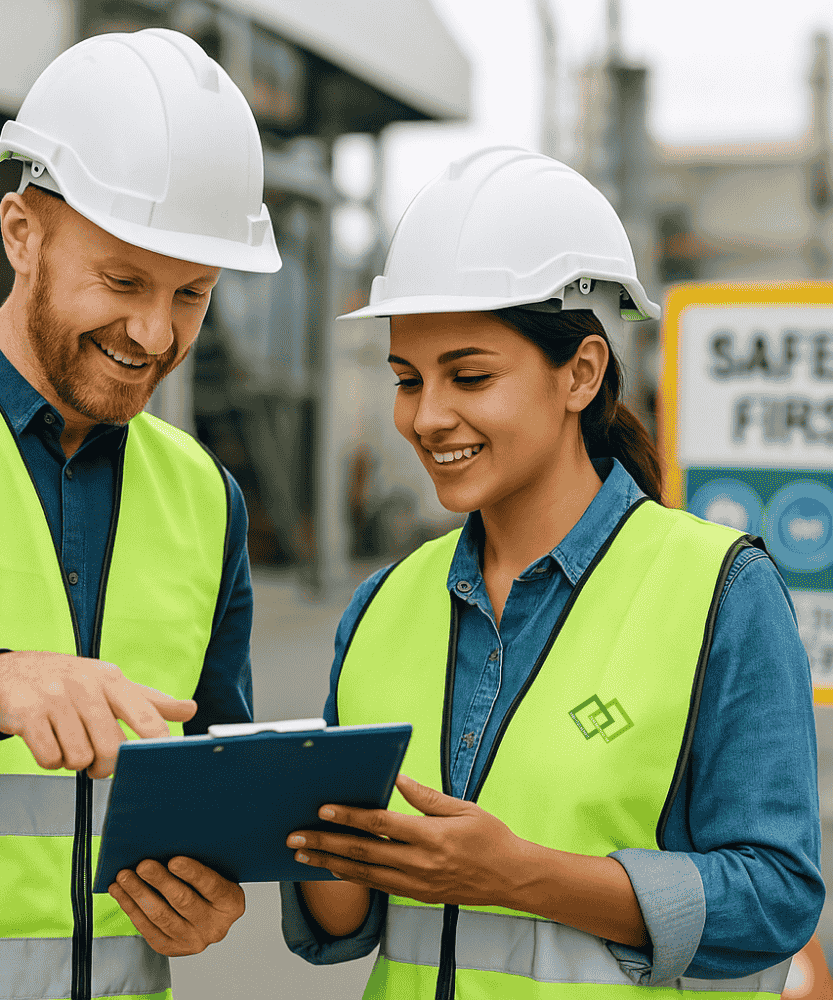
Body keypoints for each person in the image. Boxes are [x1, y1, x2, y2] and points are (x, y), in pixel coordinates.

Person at [278, 147, 825, 999]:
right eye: (406, 379)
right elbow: (352, 920)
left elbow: (777, 898)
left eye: (470, 376)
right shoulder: (382, 606)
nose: (426, 416)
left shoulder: (720, 593)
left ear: (581, 373)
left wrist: (521, 875)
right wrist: (301, 832)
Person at [0, 29, 280, 1000]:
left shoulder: (207, 497)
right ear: (20, 232)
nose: (155, 334)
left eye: (191, 295)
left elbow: (206, 782)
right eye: (121, 281)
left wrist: (207, 884)